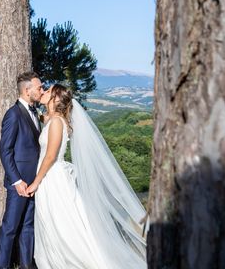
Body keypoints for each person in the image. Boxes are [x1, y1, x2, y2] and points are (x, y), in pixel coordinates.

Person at [27, 84, 147, 269]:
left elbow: (50, 156)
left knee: (62, 223)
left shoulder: (57, 122)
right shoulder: (52, 119)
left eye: (48, 91)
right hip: (48, 179)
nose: (43, 92)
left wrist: (35, 182)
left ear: (56, 99)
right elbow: (42, 119)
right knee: (51, 221)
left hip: (52, 179)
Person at [0, 71, 45, 269]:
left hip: (34, 183)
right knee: (9, 228)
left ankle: (26, 265)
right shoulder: (13, 114)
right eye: (39, 87)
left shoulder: (35, 112)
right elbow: (5, 150)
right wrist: (17, 181)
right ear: (27, 90)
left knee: (28, 227)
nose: (41, 90)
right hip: (20, 185)